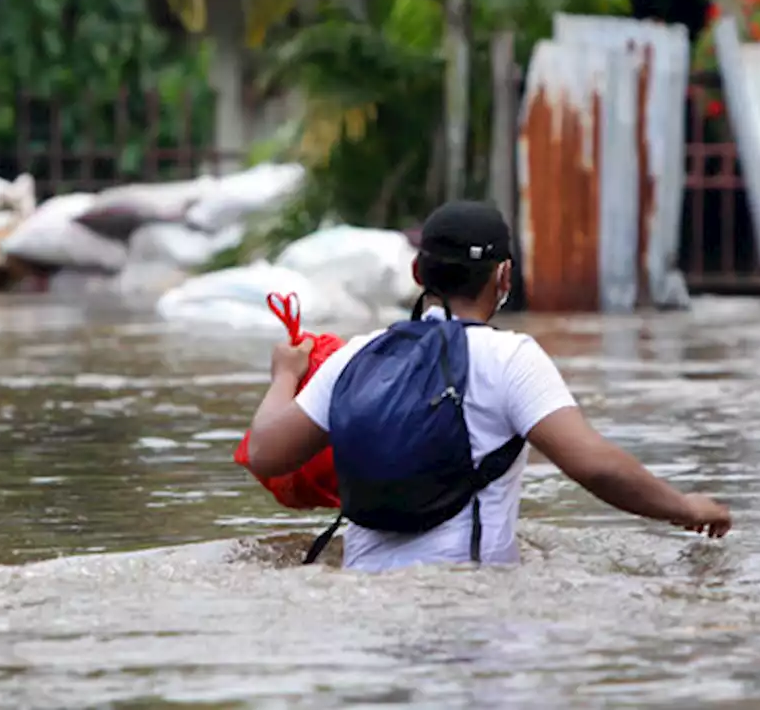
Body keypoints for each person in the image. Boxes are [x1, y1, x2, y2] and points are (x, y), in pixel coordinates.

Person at [246, 200, 731, 572]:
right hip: (469, 609)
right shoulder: (510, 358)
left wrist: (285, 375)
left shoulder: (357, 354)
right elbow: (595, 466)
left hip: (363, 613)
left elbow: (267, 453)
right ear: (503, 276)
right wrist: (684, 506)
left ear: (418, 273)